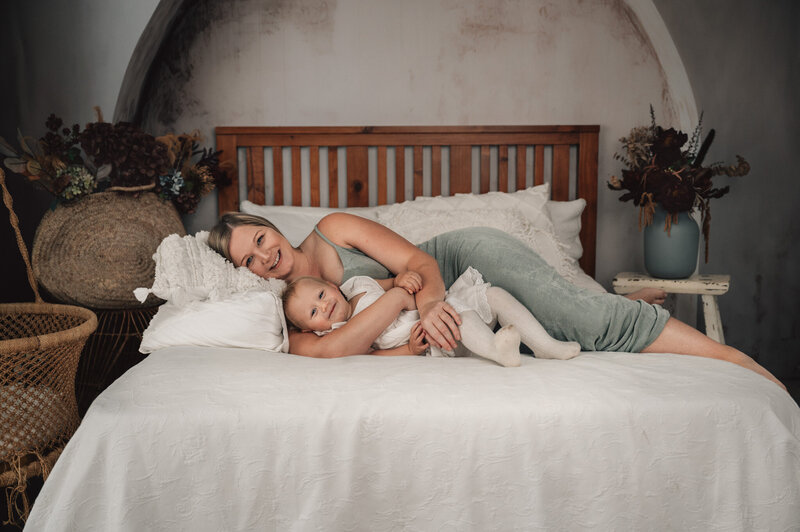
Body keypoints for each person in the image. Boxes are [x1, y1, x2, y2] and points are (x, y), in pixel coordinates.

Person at [208, 212, 786, 391]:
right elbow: (332, 353)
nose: (264, 258)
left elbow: (423, 265)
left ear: (269, 226)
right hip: (431, 304)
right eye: (248, 261)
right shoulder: (286, 317)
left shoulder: (333, 229)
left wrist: (432, 307)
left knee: (575, 316)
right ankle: (613, 298)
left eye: (260, 239)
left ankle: (730, 356)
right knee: (560, 306)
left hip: (460, 261)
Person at [281, 268, 581, 366]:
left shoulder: (357, 284)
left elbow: (392, 284)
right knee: (458, 315)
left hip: (439, 308)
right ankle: (497, 351)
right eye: (313, 313)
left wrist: (403, 279)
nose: (324, 307)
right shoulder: (344, 332)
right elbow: (376, 355)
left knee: (494, 295)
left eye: (321, 296)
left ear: (332, 286)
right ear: (313, 330)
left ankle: (545, 345)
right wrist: (408, 351)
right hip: (436, 342)